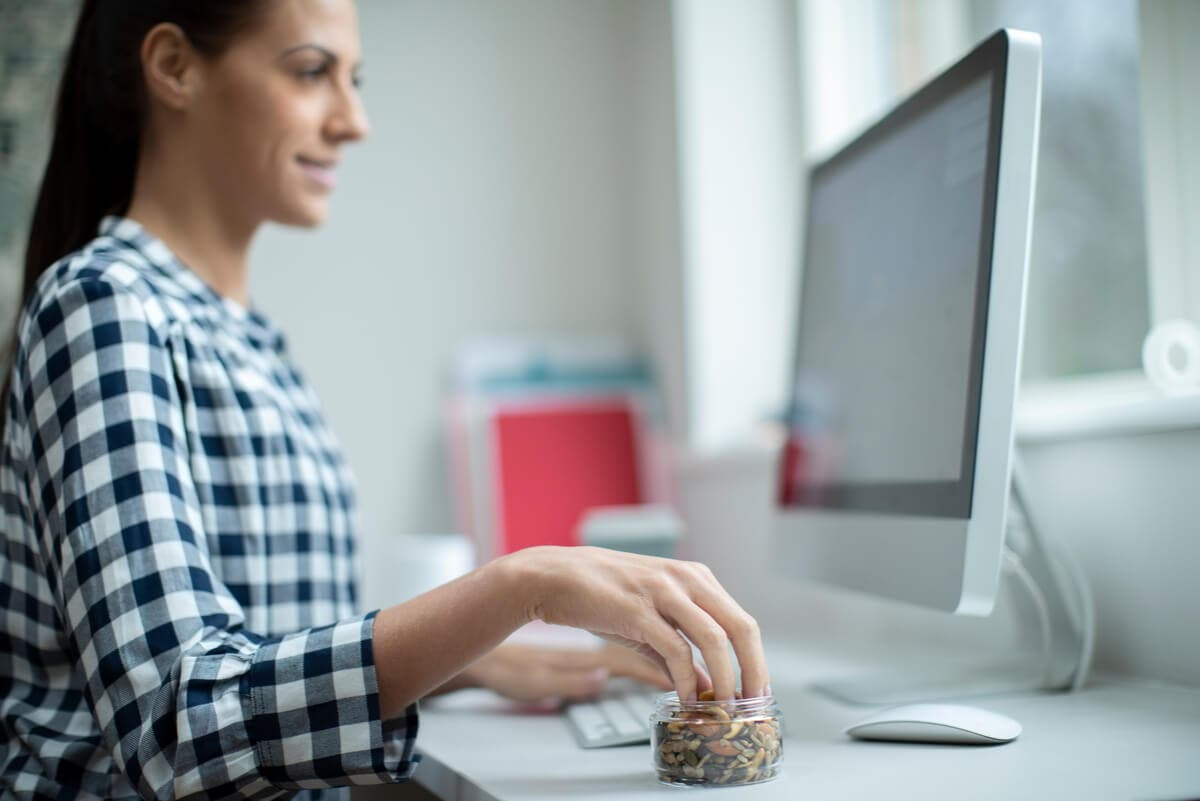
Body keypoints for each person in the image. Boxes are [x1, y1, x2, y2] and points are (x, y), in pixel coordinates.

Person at [0, 2, 770, 799]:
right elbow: (177, 730)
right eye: (311, 72)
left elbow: (262, 643)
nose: (354, 122)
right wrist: (522, 583)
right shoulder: (103, 308)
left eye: (354, 81)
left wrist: (474, 660)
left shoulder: (246, 339)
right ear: (174, 67)